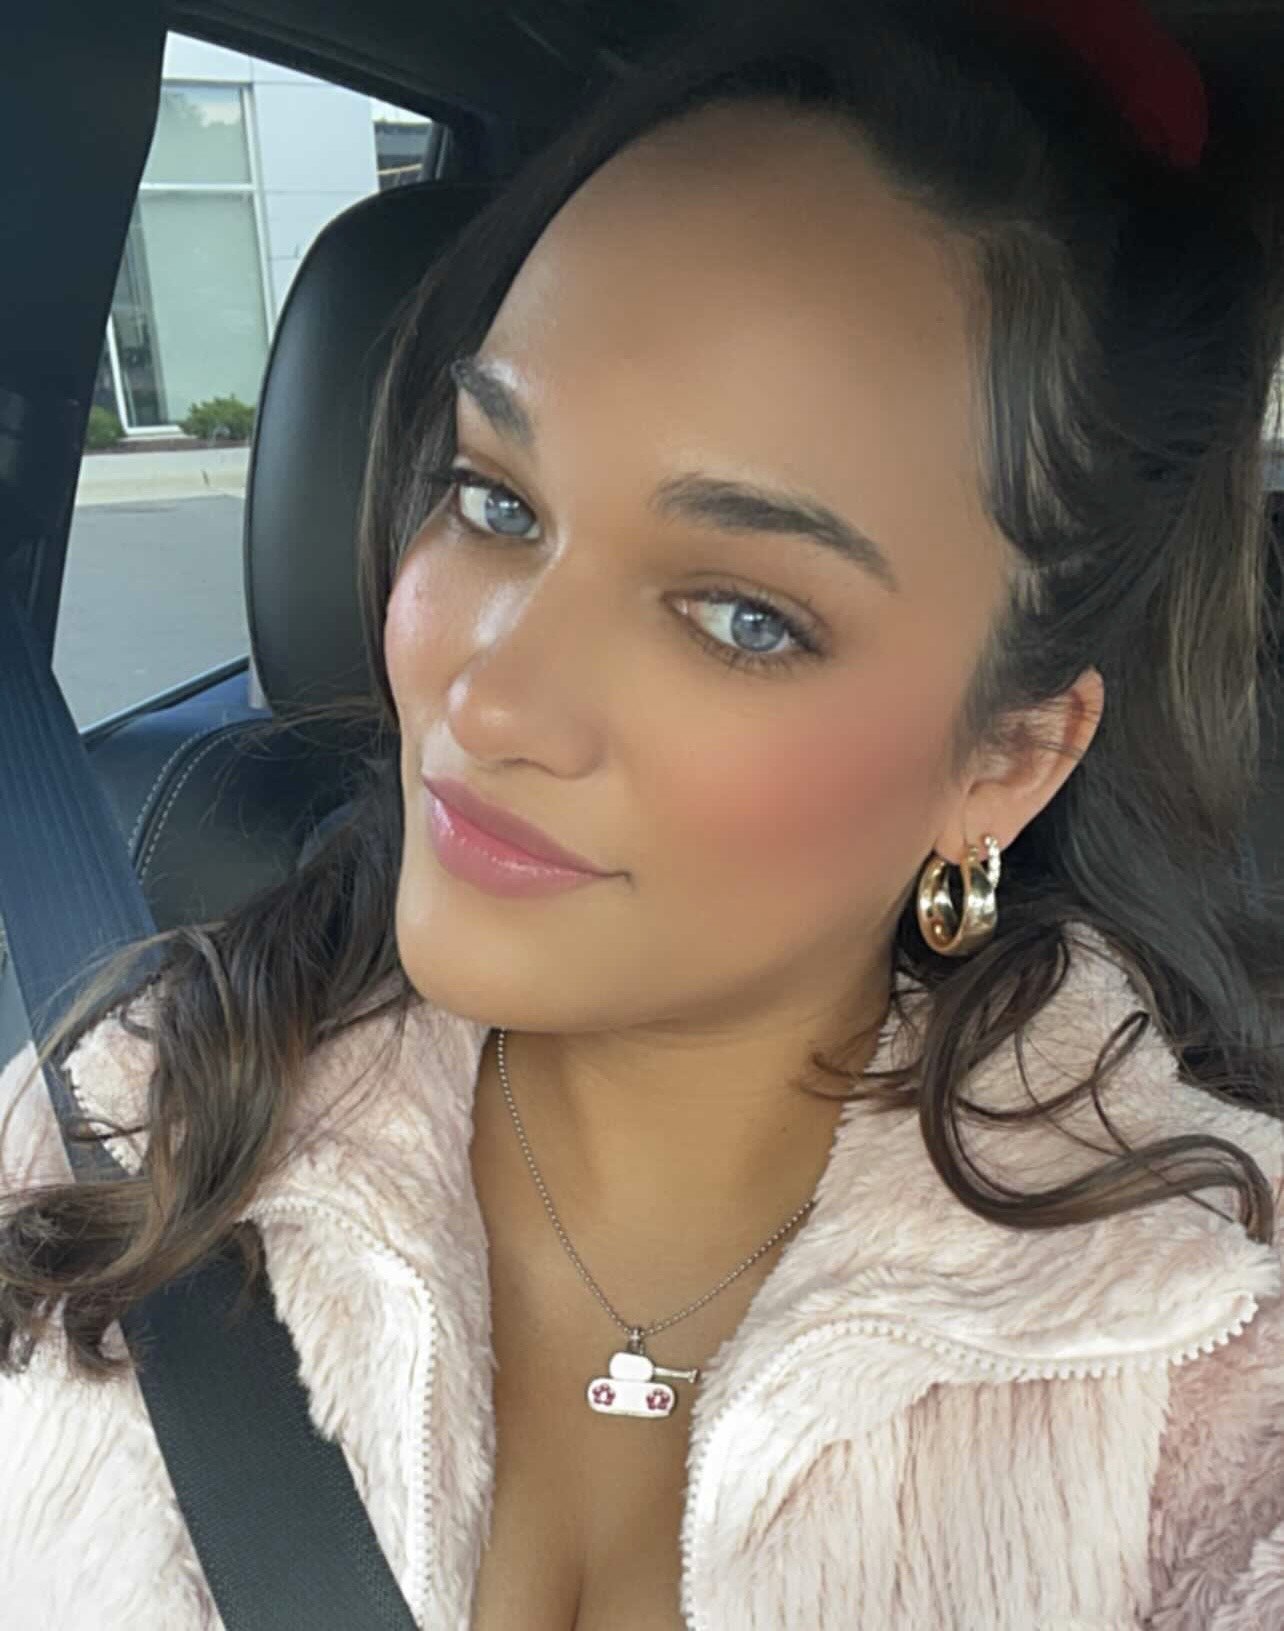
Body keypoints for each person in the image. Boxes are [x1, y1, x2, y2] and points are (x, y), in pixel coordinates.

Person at [4, 0, 1284, 1624]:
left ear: (1009, 759)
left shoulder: (1201, 1357)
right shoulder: (121, 1121)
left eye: (743, 616)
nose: (490, 698)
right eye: (496, 501)